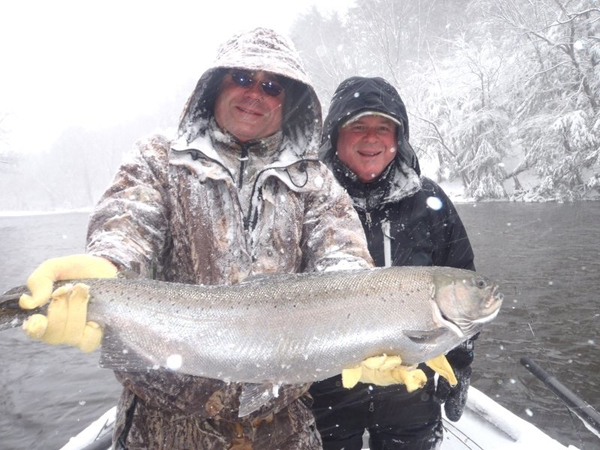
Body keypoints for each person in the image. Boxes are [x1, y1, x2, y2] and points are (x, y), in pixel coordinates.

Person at [18, 28, 374, 449]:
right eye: (242, 78)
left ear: (288, 101)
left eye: (272, 86)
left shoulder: (314, 180)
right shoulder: (157, 158)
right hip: (162, 427)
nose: (255, 94)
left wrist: (372, 322)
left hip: (283, 426)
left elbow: (343, 258)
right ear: (215, 85)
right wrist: (109, 266)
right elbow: (128, 225)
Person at [309, 76, 477, 450]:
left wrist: (460, 363)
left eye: (383, 128)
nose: (372, 139)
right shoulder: (308, 201)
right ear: (335, 135)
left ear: (398, 138)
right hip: (326, 389)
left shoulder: (430, 201)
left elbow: (462, 287)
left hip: (411, 389)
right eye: (358, 126)